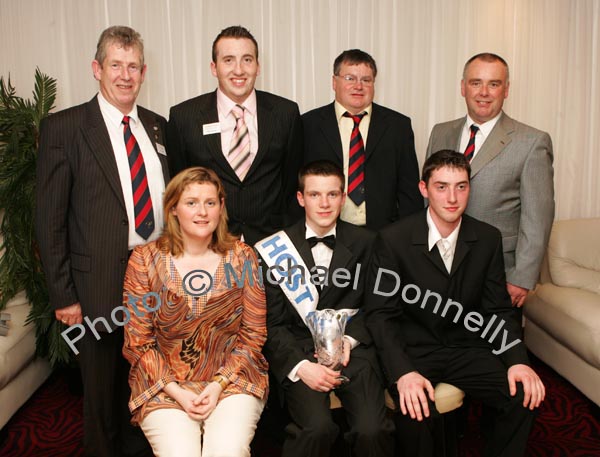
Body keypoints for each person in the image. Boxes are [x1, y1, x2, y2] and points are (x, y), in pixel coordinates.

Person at [35, 26, 168, 457]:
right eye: (116, 65)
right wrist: (64, 295)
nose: (125, 75)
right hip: (96, 285)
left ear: (144, 72)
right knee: (102, 393)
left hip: (154, 276)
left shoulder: (157, 126)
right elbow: (49, 220)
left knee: (147, 379)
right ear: (97, 69)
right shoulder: (65, 127)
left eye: (133, 66)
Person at [365, 150, 545, 457]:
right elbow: (381, 315)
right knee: (418, 414)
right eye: (442, 186)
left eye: (461, 186)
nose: (452, 197)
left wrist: (518, 360)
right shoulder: (392, 239)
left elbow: (498, 310)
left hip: (467, 347)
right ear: (424, 189)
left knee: (524, 395)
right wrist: (403, 372)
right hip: (414, 351)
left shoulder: (487, 237)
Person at [122, 167, 268, 457]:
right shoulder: (144, 259)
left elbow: (253, 334)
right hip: (164, 383)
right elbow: (137, 342)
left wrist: (218, 384)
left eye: (210, 203)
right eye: (191, 203)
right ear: (173, 208)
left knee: (226, 452)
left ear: (221, 207)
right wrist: (177, 391)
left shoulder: (243, 257)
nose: (202, 212)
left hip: (232, 378)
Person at [257, 160, 395, 457]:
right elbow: (272, 324)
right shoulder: (274, 248)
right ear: (300, 198)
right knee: (316, 428)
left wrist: (349, 340)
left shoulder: (368, 242)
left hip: (354, 353)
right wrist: (301, 368)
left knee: (373, 430)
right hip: (300, 352)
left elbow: (377, 307)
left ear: (343, 198)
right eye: (315, 195)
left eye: (332, 194)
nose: (324, 203)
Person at [426, 52, 554, 307]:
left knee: (496, 344)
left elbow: (538, 217)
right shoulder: (441, 132)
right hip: (439, 266)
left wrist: (522, 277)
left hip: (499, 270)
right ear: (463, 87)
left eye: (493, 84)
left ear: (506, 90)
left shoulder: (532, 142)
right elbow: (429, 198)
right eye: (476, 83)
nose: (484, 92)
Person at [167, 25, 303, 245]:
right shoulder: (184, 117)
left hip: (272, 243)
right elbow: (178, 186)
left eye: (247, 60)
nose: (238, 70)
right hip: (208, 243)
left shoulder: (285, 113)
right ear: (214, 67)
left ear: (258, 66)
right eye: (228, 60)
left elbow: (292, 183)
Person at [303, 49, 422, 230]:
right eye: (350, 78)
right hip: (325, 232)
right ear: (334, 82)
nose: (358, 86)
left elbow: (409, 192)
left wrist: (407, 238)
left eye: (366, 80)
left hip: (383, 235)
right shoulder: (307, 124)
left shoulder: (398, 126)